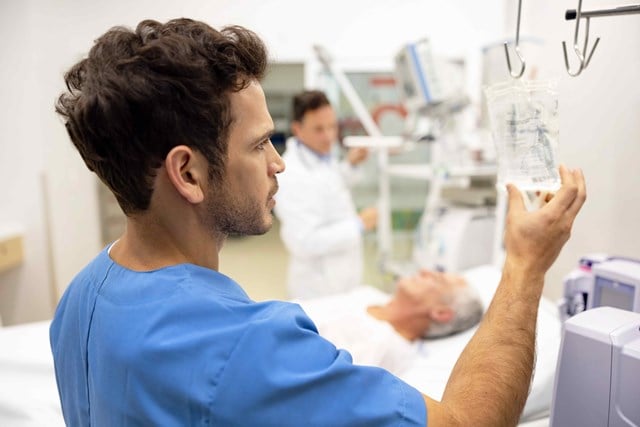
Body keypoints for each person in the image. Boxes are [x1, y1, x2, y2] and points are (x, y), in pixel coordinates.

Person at [49, 17, 587, 427]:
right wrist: (525, 264)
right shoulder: (248, 347)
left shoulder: (79, 299)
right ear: (187, 172)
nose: (278, 162)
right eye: (260, 145)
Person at [273, 90, 377, 299]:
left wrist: (350, 165)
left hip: (341, 280)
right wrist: (359, 225)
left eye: (332, 126)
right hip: (317, 289)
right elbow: (304, 242)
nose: (329, 136)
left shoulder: (320, 158)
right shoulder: (291, 174)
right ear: (297, 129)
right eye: (319, 129)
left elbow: (328, 188)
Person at [299, 269, 483, 375]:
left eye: (436, 279)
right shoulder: (368, 294)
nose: (424, 271)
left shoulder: (386, 348)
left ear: (441, 312)